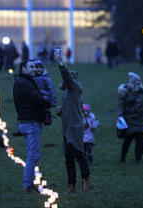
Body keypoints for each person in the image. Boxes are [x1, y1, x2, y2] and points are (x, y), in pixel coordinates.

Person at [54, 51, 95, 194]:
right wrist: (61, 111)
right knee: (69, 159)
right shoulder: (67, 93)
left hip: (74, 128)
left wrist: (60, 62)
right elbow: (72, 109)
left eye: (67, 79)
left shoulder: (74, 88)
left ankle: (87, 181)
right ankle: (71, 186)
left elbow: (65, 75)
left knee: (79, 155)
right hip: (67, 128)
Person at [13, 60, 51, 193]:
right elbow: (37, 99)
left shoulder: (23, 81)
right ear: (23, 69)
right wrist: (49, 102)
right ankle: (28, 185)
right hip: (30, 122)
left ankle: (28, 184)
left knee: (32, 154)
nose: (34, 69)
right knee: (33, 155)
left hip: (25, 121)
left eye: (35, 67)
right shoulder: (25, 83)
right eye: (31, 67)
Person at [118, 72, 143, 163]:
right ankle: (123, 157)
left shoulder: (141, 92)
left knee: (140, 140)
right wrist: (120, 117)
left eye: (139, 81)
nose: (138, 82)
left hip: (140, 119)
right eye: (136, 81)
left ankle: (138, 158)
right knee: (128, 140)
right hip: (129, 119)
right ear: (132, 82)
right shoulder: (125, 92)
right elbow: (121, 106)